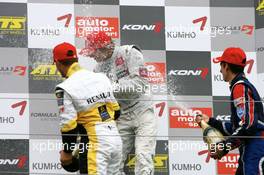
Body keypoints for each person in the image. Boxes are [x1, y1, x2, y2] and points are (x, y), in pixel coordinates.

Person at [80, 31, 157, 175]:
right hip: (121, 117)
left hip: (142, 111)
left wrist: (109, 87)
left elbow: (140, 85)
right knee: (114, 161)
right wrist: (105, 121)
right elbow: (101, 100)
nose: (91, 56)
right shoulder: (97, 69)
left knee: (143, 156)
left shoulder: (129, 52)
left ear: (103, 47)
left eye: (93, 52)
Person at [53, 42, 122, 175]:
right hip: (115, 141)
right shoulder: (101, 77)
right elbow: (117, 112)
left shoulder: (64, 88)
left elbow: (68, 127)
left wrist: (67, 153)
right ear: (76, 60)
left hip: (95, 145)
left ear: (57, 62)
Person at [196, 47, 264, 175]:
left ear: (226, 66)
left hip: (255, 148)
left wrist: (223, 147)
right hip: (251, 148)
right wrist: (210, 121)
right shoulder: (241, 86)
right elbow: (237, 127)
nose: (220, 70)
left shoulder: (239, 87)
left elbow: (247, 125)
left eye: (221, 65)